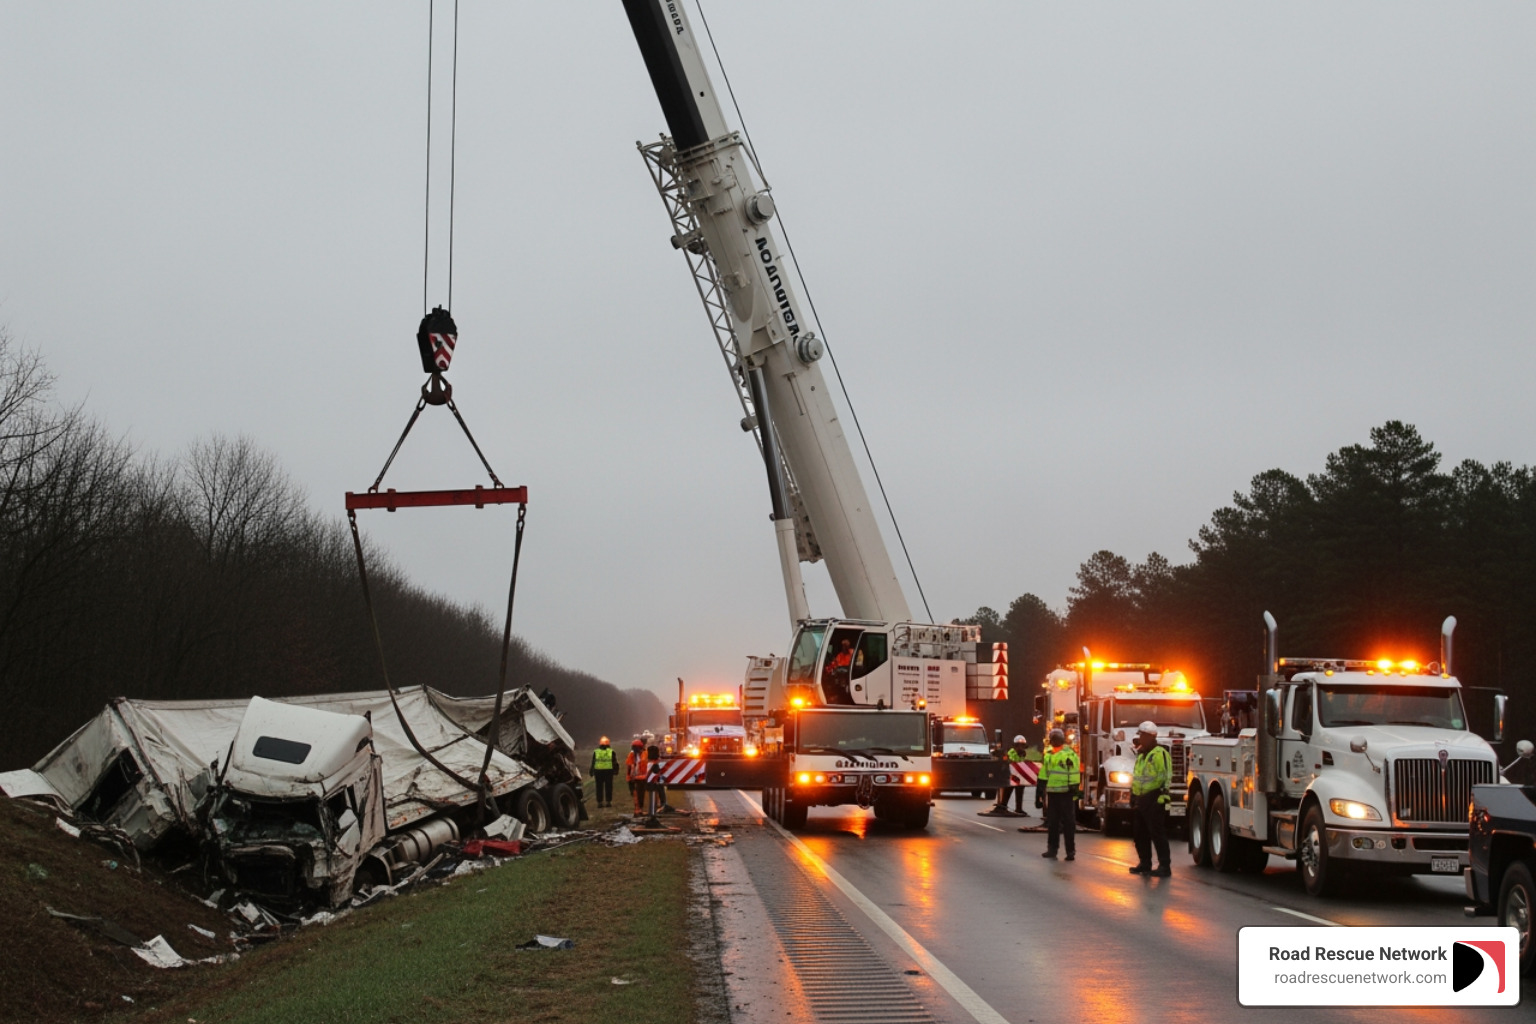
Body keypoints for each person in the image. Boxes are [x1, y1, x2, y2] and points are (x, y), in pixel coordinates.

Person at [1128, 721, 1172, 877]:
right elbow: (1138, 777)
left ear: (1149, 736)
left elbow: (1165, 776)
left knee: (1157, 833)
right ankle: (1145, 863)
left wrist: (1162, 795)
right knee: (1139, 833)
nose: (1139, 738)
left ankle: (1164, 866)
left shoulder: (1160, 754)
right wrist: (1133, 796)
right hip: (1141, 799)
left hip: (1154, 798)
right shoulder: (1142, 755)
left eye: (1141, 735)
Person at [1036, 728, 1081, 860]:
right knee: (1053, 823)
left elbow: (1074, 771)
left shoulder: (1069, 755)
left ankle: (1070, 851)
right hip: (1053, 794)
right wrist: (1040, 789)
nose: (1055, 741)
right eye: (1053, 739)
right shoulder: (1049, 755)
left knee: (1068, 823)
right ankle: (1052, 849)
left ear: (1061, 740)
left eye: (1056, 739)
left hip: (1066, 794)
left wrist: (1074, 788)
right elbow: (1044, 773)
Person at [993, 735, 1029, 813]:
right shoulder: (1011, 752)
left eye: (1022, 746)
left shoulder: (1024, 753)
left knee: (1020, 792)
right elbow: (1010, 762)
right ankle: (1003, 806)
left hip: (1020, 776)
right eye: (1019, 745)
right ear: (1015, 745)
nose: (1020, 747)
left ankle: (1019, 808)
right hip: (1011, 776)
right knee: (1008, 791)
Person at [590, 736, 618, 808]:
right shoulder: (611, 751)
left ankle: (600, 802)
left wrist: (591, 770)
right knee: (608, 787)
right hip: (608, 771)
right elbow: (614, 762)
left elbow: (593, 762)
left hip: (598, 771)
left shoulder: (596, 751)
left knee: (599, 787)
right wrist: (616, 770)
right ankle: (608, 802)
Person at [626, 738, 648, 815]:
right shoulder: (631, 755)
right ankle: (637, 809)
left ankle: (639, 809)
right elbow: (629, 766)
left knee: (641, 794)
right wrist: (630, 777)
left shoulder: (645, 754)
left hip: (642, 778)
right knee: (635, 794)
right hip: (633, 778)